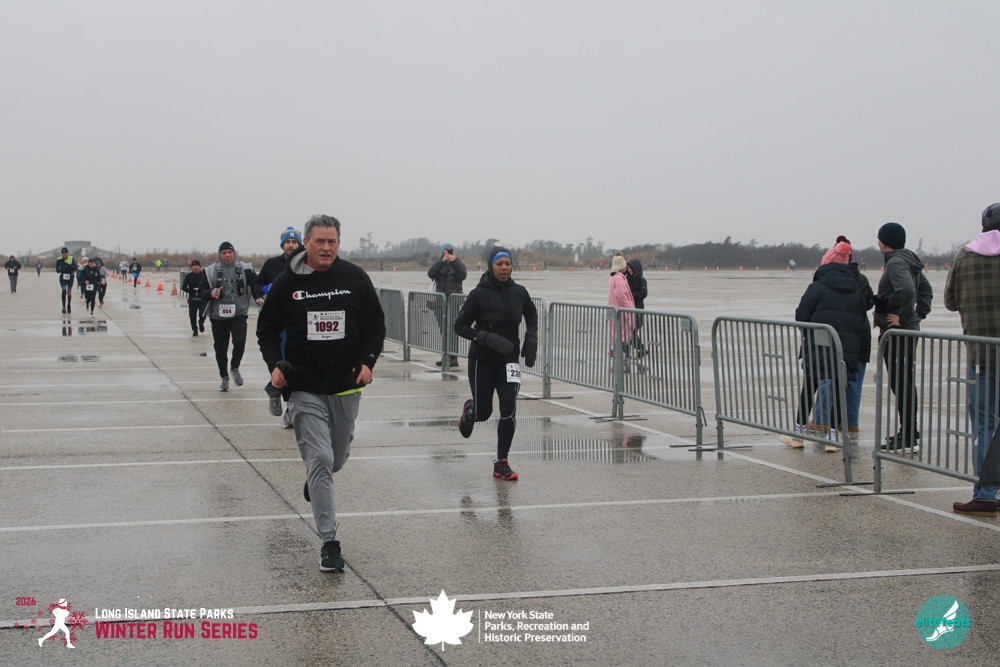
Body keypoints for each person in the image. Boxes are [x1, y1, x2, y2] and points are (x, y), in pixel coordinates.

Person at [257, 214, 386, 572]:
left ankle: (316, 483)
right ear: (306, 243)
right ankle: (329, 541)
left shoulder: (355, 278)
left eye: (332, 241)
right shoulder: (287, 282)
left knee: (335, 459)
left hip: (346, 384)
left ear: (339, 244)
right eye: (320, 241)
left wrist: (368, 362)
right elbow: (266, 331)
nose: (326, 247)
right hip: (304, 386)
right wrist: (275, 364)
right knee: (319, 459)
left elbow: (375, 326)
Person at [454, 245, 538, 481]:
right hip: (482, 360)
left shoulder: (519, 292)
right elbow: (460, 326)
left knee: (509, 407)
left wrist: (531, 337)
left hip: (509, 361)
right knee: (484, 413)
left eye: (507, 263)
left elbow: (531, 314)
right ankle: (469, 412)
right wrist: (485, 337)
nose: (504, 268)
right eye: (499, 264)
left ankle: (502, 462)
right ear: (491, 266)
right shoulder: (478, 294)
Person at [780, 238, 870, 452]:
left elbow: (802, 314)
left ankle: (799, 433)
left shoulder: (818, 286)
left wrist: (809, 334)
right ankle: (832, 438)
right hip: (844, 347)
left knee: (809, 388)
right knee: (838, 389)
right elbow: (861, 317)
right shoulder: (855, 287)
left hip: (818, 345)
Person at [944, 203, 1000, 517]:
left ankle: (985, 492)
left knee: (984, 424)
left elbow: (950, 301)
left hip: (981, 354)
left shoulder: (964, 256)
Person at [873, 222, 933, 453]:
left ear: (883, 241)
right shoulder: (908, 260)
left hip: (899, 332)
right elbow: (925, 290)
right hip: (905, 330)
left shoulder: (896, 262)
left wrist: (905, 317)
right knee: (903, 383)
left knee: (901, 383)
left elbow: (908, 290)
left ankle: (908, 435)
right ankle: (908, 431)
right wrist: (918, 314)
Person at [809, 237, 875, 441]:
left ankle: (821, 419)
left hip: (837, 334)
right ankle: (850, 421)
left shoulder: (827, 280)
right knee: (854, 380)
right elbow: (869, 302)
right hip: (859, 333)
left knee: (828, 377)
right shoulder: (860, 280)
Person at [253, 226, 303, 423]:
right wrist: (264, 291)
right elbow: (256, 285)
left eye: (294, 242)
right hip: (278, 323)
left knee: (297, 362)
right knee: (281, 362)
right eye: (287, 242)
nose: (290, 245)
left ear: (300, 244)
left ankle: (290, 408)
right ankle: (276, 389)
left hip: (299, 322)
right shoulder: (272, 264)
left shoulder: (306, 263)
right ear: (282, 245)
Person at [200, 242, 257, 392]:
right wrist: (212, 292)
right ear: (220, 255)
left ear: (234, 253)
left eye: (229, 252)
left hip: (239, 313)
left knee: (239, 342)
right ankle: (224, 377)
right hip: (218, 316)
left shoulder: (245, 268)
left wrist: (259, 297)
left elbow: (255, 285)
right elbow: (201, 291)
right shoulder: (210, 271)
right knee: (220, 348)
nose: (227, 255)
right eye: (224, 253)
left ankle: (235, 367)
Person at [427, 242, 467, 368]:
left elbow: (462, 275)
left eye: (450, 250)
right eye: (446, 250)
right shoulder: (440, 264)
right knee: (443, 330)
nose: (448, 252)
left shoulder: (458, 263)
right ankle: (445, 355)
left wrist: (455, 261)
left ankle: (453, 357)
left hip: (453, 302)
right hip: (440, 302)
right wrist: (442, 261)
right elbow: (431, 274)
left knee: (453, 331)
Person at [608, 252, 636, 362]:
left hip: (615, 308)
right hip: (622, 310)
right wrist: (629, 306)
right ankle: (618, 353)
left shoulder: (613, 277)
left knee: (618, 333)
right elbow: (620, 295)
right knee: (623, 334)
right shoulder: (619, 279)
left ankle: (616, 351)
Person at [625, 257, 648, 357]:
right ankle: (627, 351)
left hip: (638, 310)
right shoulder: (626, 278)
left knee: (631, 333)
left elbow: (643, 294)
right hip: (628, 309)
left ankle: (641, 349)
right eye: (628, 268)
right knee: (627, 332)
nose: (629, 269)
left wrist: (630, 295)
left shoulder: (641, 280)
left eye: (631, 268)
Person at [180, 260, 209, 336]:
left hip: (202, 300)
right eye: (193, 266)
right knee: (192, 316)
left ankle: (201, 323)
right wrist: (190, 291)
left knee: (202, 315)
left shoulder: (204, 276)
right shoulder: (188, 276)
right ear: (191, 267)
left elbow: (208, 286)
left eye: (197, 266)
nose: (195, 267)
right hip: (192, 300)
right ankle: (194, 329)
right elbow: (183, 287)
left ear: (200, 267)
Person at [55, 248, 77, 314]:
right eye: (63, 253)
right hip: (63, 277)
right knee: (64, 290)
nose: (64, 254)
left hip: (70, 276)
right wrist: (59, 268)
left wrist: (68, 265)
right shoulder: (59, 259)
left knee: (69, 292)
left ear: (67, 253)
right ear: (61, 254)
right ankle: (63, 307)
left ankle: (69, 305)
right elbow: (57, 270)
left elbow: (75, 268)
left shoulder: (71, 258)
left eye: (65, 253)